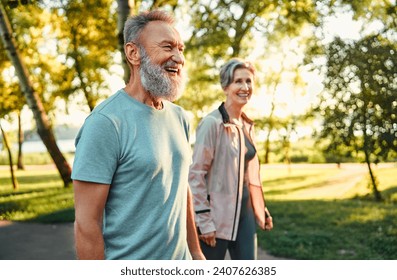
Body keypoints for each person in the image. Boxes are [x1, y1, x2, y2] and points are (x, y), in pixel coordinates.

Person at [72, 10, 204, 260]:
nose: (178, 57)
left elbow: (180, 187)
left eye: (181, 49)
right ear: (133, 53)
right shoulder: (105, 123)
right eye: (167, 47)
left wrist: (195, 252)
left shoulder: (180, 117)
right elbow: (86, 225)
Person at [188, 58, 274, 260]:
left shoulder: (246, 124)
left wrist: (261, 208)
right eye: (238, 81)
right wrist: (203, 221)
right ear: (226, 87)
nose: (245, 87)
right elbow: (195, 175)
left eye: (249, 81)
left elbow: (245, 175)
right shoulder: (212, 123)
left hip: (245, 217)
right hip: (216, 220)